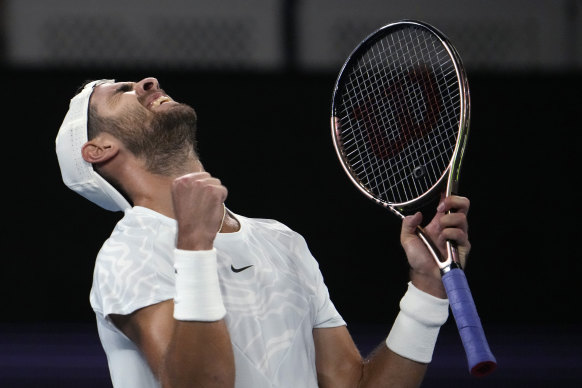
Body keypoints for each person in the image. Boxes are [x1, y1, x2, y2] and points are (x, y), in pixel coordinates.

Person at [55, 77, 471, 388]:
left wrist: (426, 288)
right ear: (98, 148)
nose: (148, 82)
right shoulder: (127, 253)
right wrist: (196, 249)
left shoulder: (281, 241)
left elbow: (357, 385)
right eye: (121, 91)